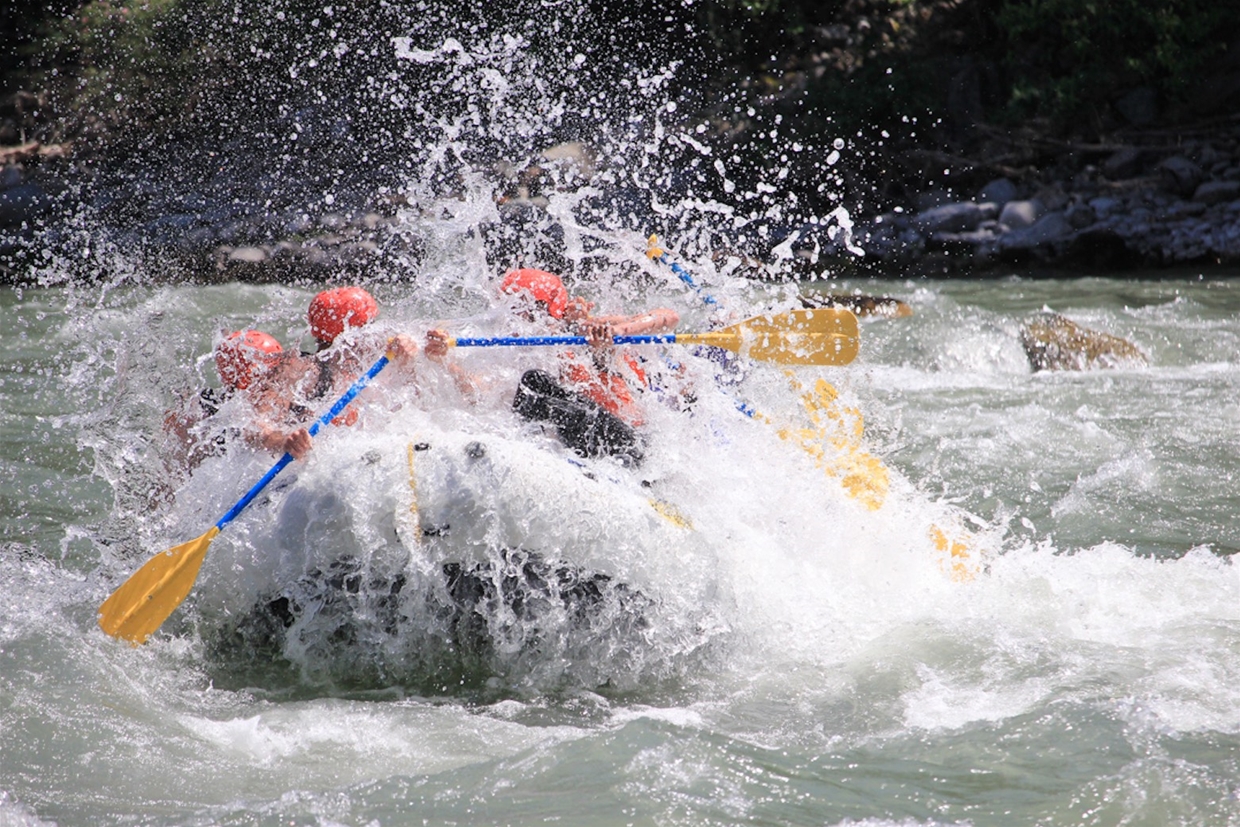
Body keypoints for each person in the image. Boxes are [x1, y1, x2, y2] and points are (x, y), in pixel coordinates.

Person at [500, 267, 679, 465]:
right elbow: (479, 394)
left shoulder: (589, 329)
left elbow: (669, 317)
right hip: (588, 447)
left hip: (630, 445)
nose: (513, 319)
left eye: (520, 310)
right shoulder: (518, 355)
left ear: (547, 308)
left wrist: (616, 332)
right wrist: (457, 366)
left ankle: (523, 459)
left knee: (534, 382)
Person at [164, 329, 285, 470]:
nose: (280, 380)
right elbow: (258, 432)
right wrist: (285, 442)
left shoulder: (205, 403)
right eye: (275, 372)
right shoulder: (240, 410)